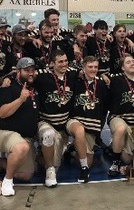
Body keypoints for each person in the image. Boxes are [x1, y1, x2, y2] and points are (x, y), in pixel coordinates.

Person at [36, 49, 77, 187]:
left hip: (62, 126)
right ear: (52, 63)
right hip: (45, 122)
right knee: (48, 135)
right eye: (60, 62)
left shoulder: (72, 74)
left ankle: (41, 158)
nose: (64, 64)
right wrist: (6, 79)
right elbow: (24, 76)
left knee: (56, 162)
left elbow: (88, 72)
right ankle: (49, 170)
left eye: (66, 61)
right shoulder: (42, 76)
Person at [66, 56, 109, 183]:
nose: (93, 69)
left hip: (91, 125)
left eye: (96, 67)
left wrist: (98, 130)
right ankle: (84, 169)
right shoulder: (75, 80)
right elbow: (66, 72)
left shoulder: (101, 84)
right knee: (79, 130)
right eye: (90, 67)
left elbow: (104, 109)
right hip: (75, 121)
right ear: (83, 67)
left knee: (87, 160)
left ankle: (73, 150)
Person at [0, 57, 39, 196]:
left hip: (27, 137)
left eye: (32, 70)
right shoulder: (8, 86)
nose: (30, 73)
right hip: (6, 132)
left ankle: (3, 163)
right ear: (18, 71)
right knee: (21, 147)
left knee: (26, 174)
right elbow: (2, 113)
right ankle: (7, 181)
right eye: (26, 70)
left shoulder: (34, 85)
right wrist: (21, 99)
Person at [107, 54, 134, 176]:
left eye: (133, 61)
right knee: (121, 129)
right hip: (118, 118)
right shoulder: (115, 80)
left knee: (128, 159)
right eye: (128, 62)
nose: (132, 63)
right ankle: (115, 163)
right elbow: (100, 77)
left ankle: (113, 147)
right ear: (122, 68)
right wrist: (104, 76)